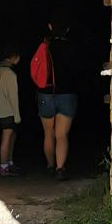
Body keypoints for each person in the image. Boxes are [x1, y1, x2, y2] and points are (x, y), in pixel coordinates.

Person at [37, 12, 80, 181]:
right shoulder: (73, 48)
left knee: (48, 133)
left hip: (46, 94)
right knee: (61, 135)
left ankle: (50, 165)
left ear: (50, 27)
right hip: (67, 94)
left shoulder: (45, 46)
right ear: (68, 29)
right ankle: (60, 169)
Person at [0, 45, 23, 177]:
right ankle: (4, 167)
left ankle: (9, 163)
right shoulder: (10, 74)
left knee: (10, 137)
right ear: (14, 57)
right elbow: (13, 96)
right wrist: (17, 115)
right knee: (7, 139)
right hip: (8, 112)